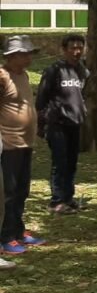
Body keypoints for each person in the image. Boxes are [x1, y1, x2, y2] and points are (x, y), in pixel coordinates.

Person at [1, 36, 45, 258]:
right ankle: (6, 237)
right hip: (8, 145)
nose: (29, 58)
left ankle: (18, 230)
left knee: (22, 191)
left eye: (30, 53)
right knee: (8, 193)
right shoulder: (2, 76)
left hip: (26, 143)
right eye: (25, 54)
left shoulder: (24, 75)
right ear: (12, 56)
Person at [36, 33, 88, 215]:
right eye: (73, 48)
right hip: (56, 124)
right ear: (64, 50)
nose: (77, 51)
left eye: (80, 48)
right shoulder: (54, 70)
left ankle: (68, 198)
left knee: (71, 163)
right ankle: (56, 202)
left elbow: (81, 96)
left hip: (75, 123)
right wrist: (41, 125)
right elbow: (41, 99)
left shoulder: (82, 71)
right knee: (60, 163)